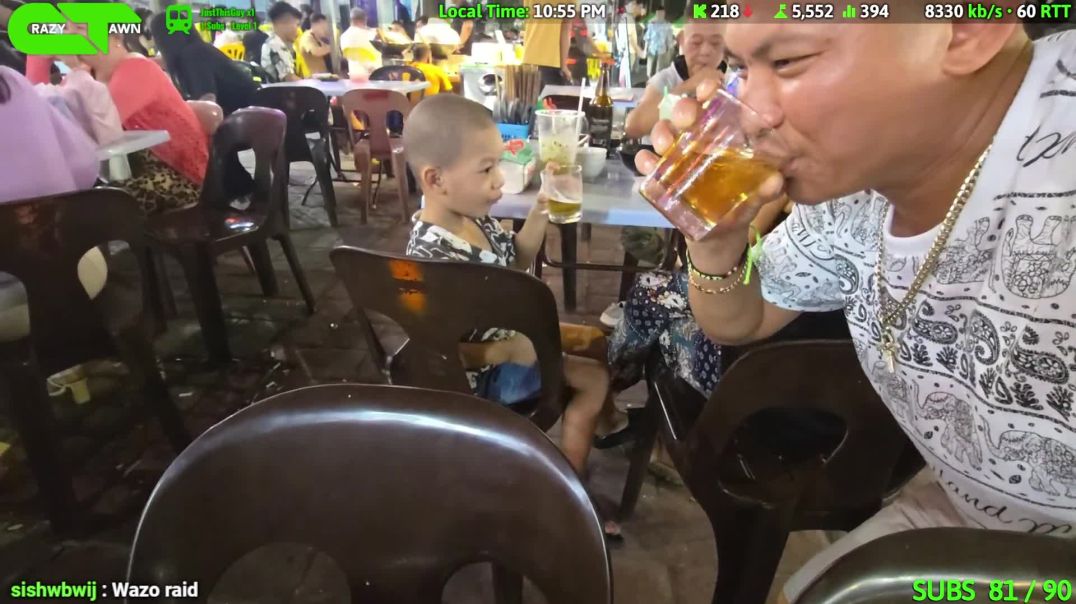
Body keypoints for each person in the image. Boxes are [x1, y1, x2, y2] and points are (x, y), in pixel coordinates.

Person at [635, 6, 1076, 601]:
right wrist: (714, 244)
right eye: (742, 68)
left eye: (787, 60)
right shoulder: (858, 188)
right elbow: (744, 317)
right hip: (967, 511)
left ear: (967, 28)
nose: (754, 115)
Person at [402, 95, 612, 476]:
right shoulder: (433, 260)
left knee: (596, 342)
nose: (500, 179)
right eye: (486, 170)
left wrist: (542, 208)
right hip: (481, 382)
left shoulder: (471, 217)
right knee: (594, 380)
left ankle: (609, 426)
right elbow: (437, 350)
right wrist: (507, 352)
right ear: (436, 179)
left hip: (510, 340)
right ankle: (568, 487)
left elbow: (514, 258)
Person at [73, 28, 207, 215]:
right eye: (67, 27)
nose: (71, 35)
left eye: (80, 27)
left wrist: (78, 68)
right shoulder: (95, 77)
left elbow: (94, 132)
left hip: (179, 179)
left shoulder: (136, 69)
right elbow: (48, 113)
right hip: (138, 172)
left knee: (84, 209)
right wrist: (39, 58)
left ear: (115, 37)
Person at [625, 19, 726, 140]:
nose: (705, 51)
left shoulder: (736, 82)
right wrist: (689, 85)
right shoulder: (666, 80)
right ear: (681, 40)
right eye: (696, 42)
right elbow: (633, 126)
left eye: (715, 43)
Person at [150, 14, 258, 115]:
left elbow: (208, 103)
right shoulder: (195, 50)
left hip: (247, 119)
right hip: (247, 114)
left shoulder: (194, 54)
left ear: (163, 37)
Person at [520, 0, 572, 88]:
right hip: (550, 64)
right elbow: (565, 29)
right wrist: (563, 66)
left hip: (528, 60)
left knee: (528, 101)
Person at [261, 1, 303, 82]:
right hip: (280, 94)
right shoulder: (274, 46)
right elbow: (290, 79)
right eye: (297, 25)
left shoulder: (281, 45)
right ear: (283, 24)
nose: (298, 30)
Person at [340, 7, 380, 74]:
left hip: (356, 74)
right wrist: (370, 67)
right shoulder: (371, 34)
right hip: (372, 73)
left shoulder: (344, 36)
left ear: (351, 20)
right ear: (365, 19)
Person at [643, 5, 675, 78]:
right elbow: (647, 38)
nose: (660, 15)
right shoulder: (651, 24)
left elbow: (669, 40)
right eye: (658, 13)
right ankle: (649, 84)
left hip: (662, 51)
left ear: (664, 14)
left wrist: (670, 53)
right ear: (656, 14)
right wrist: (645, 50)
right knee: (650, 71)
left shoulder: (667, 25)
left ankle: (656, 86)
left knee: (659, 71)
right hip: (652, 50)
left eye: (661, 13)